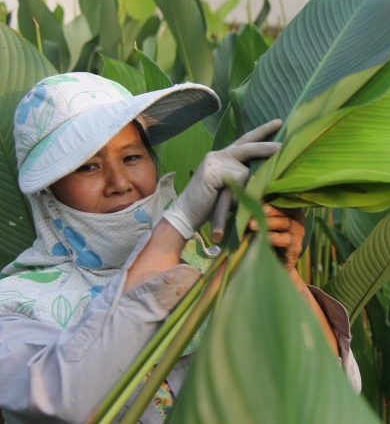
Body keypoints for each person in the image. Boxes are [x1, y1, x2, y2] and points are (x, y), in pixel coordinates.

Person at [0, 73, 359, 423]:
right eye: (88, 167)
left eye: (131, 158)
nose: (119, 183)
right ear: (47, 194)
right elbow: (64, 397)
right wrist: (181, 220)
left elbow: (332, 387)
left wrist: (283, 277)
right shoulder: (16, 304)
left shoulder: (218, 274)